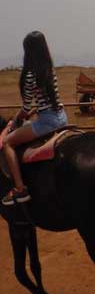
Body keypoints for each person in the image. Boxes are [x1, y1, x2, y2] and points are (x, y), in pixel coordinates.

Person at [2, 31, 68, 206]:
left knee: (7, 142)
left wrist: (17, 118)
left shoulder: (30, 74)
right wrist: (34, 111)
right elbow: (47, 100)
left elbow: (25, 107)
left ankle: (20, 189)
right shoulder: (49, 70)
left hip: (47, 121)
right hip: (61, 117)